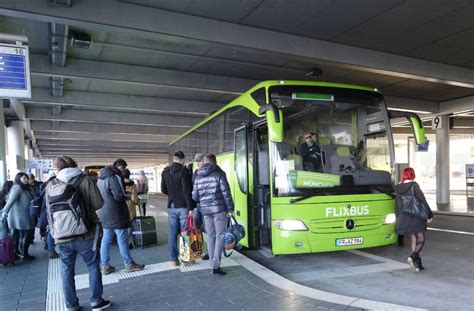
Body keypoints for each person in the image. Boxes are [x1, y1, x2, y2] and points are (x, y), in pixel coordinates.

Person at [97, 159, 145, 274]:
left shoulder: (100, 178)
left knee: (106, 239)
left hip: (104, 212)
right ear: (120, 167)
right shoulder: (114, 177)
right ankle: (129, 263)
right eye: (122, 169)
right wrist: (127, 196)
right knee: (122, 239)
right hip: (116, 213)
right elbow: (118, 196)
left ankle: (105, 266)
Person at [192, 154, 234, 276]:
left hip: (206, 211)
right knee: (220, 236)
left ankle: (212, 263)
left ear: (204, 162)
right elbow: (226, 193)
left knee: (210, 236)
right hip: (219, 210)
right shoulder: (219, 173)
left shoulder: (198, 176)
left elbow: (194, 196)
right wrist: (230, 208)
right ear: (215, 162)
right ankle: (215, 266)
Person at [395, 167, 433, 272]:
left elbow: (397, 205)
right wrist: (429, 215)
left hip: (405, 218)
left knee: (414, 239)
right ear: (412, 175)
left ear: (403, 175)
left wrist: (398, 218)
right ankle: (412, 256)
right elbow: (423, 201)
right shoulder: (414, 186)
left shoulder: (398, 187)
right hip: (417, 217)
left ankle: (417, 265)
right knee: (421, 240)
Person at [161, 151, 194, 266]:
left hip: (171, 205)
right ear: (183, 159)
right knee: (185, 232)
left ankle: (173, 260)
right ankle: (185, 260)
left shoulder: (165, 172)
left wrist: (172, 195)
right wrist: (191, 208)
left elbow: (163, 189)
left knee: (172, 233)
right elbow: (186, 191)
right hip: (183, 206)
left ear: (174, 159)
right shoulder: (183, 171)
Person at [1, 172, 35, 260]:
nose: (26, 180)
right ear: (18, 179)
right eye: (24, 178)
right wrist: (4, 212)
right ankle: (23, 253)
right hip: (19, 217)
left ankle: (19, 253)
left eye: (27, 178)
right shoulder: (17, 188)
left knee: (20, 235)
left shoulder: (26, 188)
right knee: (28, 234)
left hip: (24, 215)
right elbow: (10, 201)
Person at [191, 153, 209, 260]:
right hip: (198, 204)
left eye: (200, 160)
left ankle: (211, 252)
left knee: (209, 229)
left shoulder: (211, 171)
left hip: (207, 205)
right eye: (197, 161)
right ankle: (199, 250)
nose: (198, 163)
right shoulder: (196, 172)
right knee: (197, 228)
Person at [123, 169, 139, 248]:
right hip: (129, 206)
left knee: (122, 225)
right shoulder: (132, 184)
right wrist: (136, 202)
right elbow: (134, 199)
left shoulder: (118, 183)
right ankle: (129, 243)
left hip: (121, 205)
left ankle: (121, 242)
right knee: (129, 225)